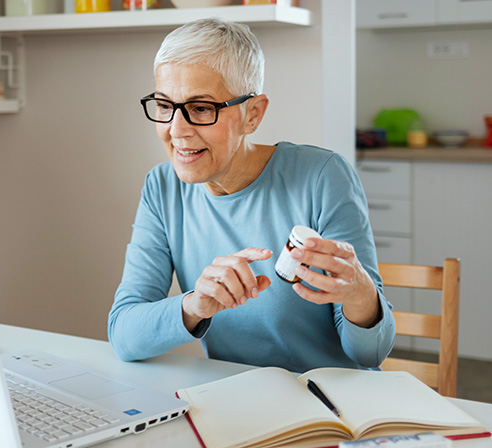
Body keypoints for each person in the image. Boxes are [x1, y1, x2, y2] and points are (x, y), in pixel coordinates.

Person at [107, 18, 395, 373]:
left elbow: (371, 354)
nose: (176, 130)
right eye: (165, 106)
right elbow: (123, 335)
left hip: (331, 408)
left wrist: (360, 293)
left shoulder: (322, 176)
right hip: (239, 404)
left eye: (200, 109)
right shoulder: (163, 188)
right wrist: (194, 305)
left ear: (253, 114)